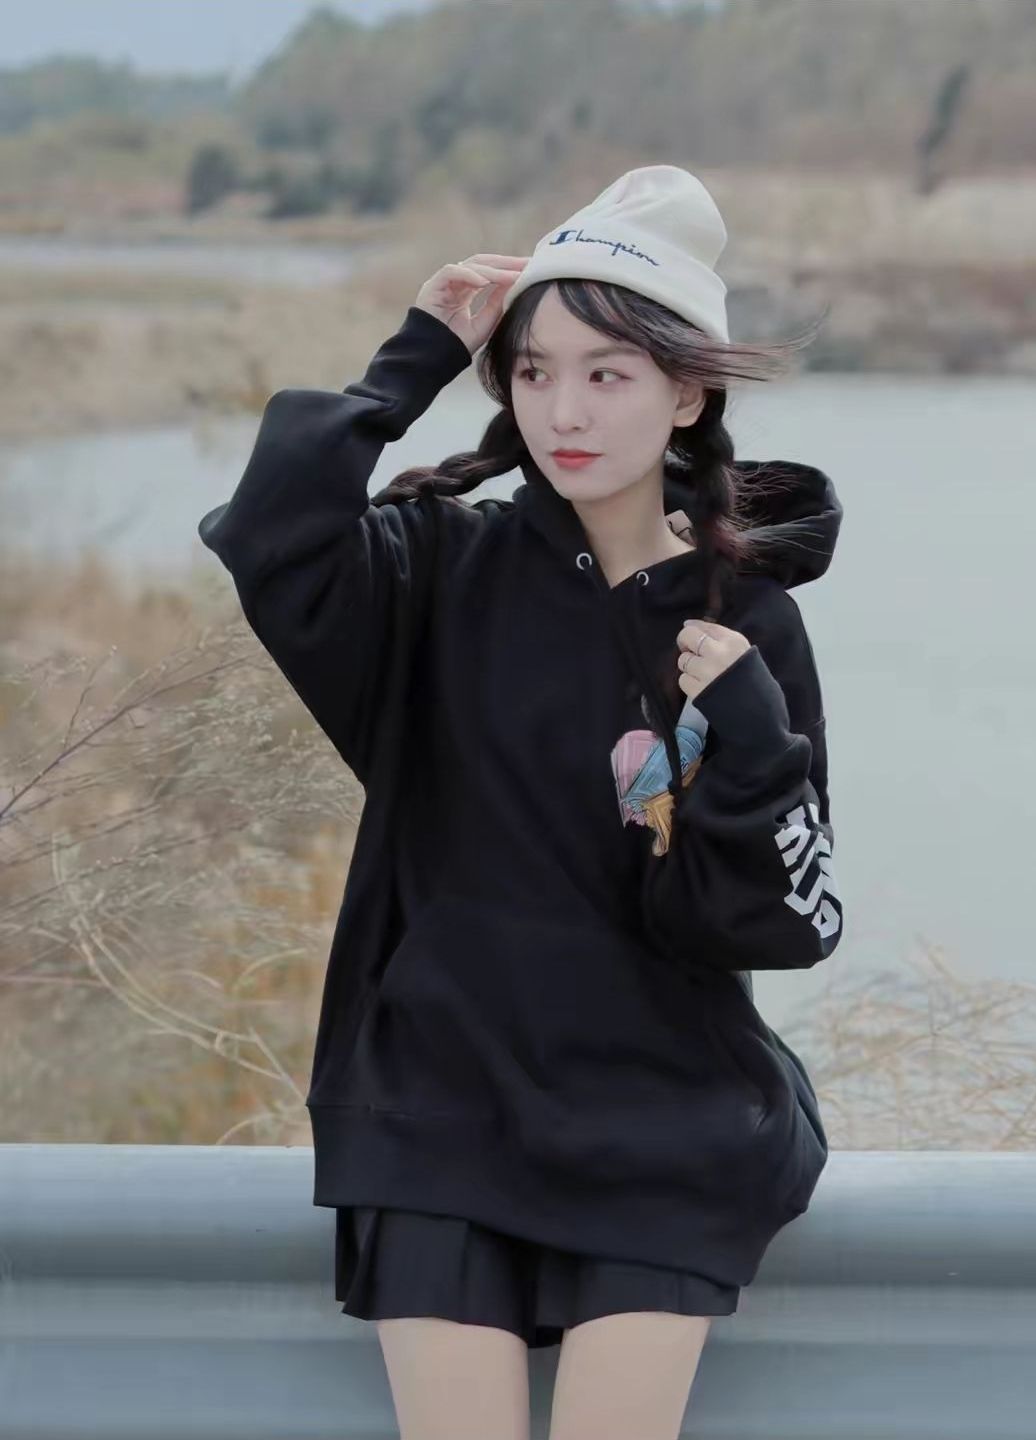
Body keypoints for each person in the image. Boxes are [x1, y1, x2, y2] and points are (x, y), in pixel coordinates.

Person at [198, 164, 844, 1440]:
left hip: (662, 1118)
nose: (565, 411)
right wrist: (415, 358)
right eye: (535, 372)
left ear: (687, 391)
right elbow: (272, 534)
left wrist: (752, 744)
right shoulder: (437, 571)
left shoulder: (746, 626)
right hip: (438, 1109)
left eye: (608, 374)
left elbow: (783, 921)